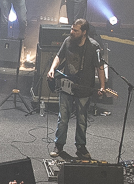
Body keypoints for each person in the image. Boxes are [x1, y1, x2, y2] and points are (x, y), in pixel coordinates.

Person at [46, 19, 108, 161]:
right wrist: (52, 68)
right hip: (67, 85)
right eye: (72, 29)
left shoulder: (94, 46)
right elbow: (59, 56)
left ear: (84, 32)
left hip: (84, 87)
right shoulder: (68, 41)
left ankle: (81, 147)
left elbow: (100, 67)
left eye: (75, 30)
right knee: (63, 118)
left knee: (81, 119)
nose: (71, 32)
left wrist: (102, 86)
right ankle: (58, 145)